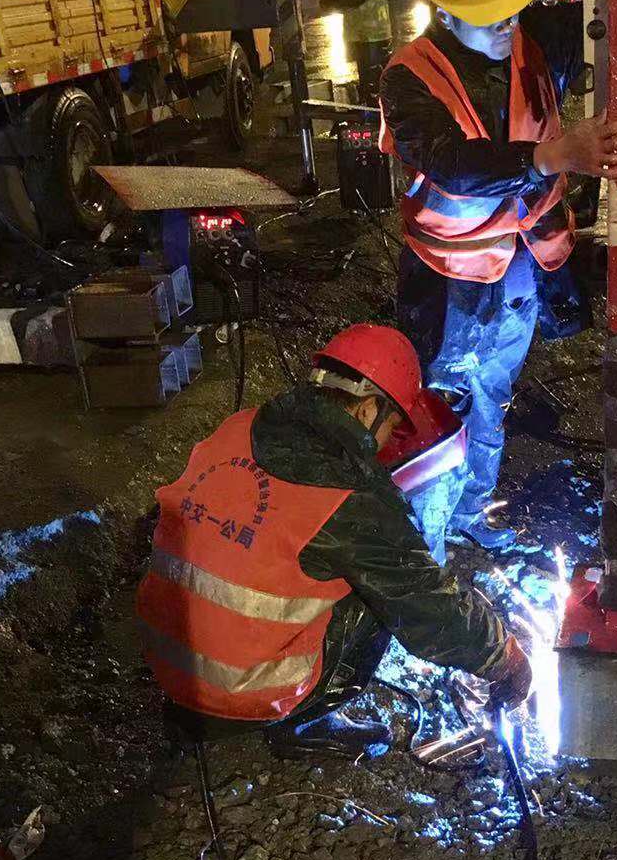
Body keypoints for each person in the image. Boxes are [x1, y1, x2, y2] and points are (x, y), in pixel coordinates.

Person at [380, 0, 617, 551]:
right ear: (443, 10)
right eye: (490, 13)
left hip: (521, 269)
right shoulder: (409, 78)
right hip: (451, 282)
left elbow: (613, 7)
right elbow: (451, 163)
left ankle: (468, 515)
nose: (507, 22)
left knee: (491, 396)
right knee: (441, 406)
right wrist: (554, 155)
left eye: (514, 5)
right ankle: (426, 538)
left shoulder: (537, 41)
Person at [136, 324, 531, 759]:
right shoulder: (348, 497)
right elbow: (430, 607)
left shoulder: (241, 426)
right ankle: (305, 723)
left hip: (164, 661)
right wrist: (506, 658)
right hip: (233, 695)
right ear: (368, 409)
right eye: (392, 426)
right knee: (380, 591)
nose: (388, 441)